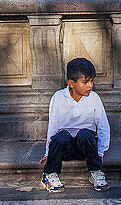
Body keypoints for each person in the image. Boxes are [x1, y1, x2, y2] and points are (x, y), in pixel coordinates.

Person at [41, 57, 110, 192]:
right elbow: (53, 127)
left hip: (85, 147)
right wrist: (48, 152)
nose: (90, 85)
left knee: (85, 134)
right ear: (71, 84)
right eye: (85, 82)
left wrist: (100, 152)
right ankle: (50, 174)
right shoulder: (58, 97)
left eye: (91, 81)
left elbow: (103, 126)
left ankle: (95, 172)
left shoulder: (94, 98)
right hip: (65, 148)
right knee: (61, 136)